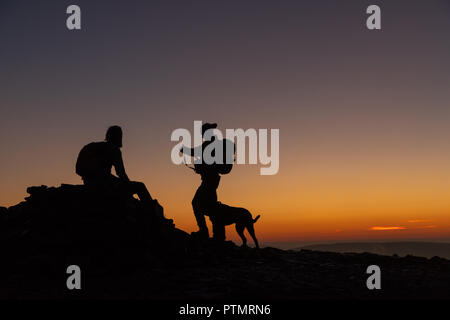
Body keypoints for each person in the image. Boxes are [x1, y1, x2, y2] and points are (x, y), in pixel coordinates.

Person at [76, 126, 171, 224]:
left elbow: (80, 170)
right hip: (103, 185)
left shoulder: (95, 146)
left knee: (116, 181)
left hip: (89, 182)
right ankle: (154, 217)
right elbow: (121, 173)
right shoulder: (114, 150)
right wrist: (128, 186)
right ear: (118, 137)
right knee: (140, 186)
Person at [180, 123, 221, 239]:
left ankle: (204, 232)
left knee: (196, 203)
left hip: (209, 180)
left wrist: (184, 150)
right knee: (212, 206)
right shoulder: (214, 143)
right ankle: (218, 235)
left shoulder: (210, 144)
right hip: (212, 179)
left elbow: (196, 152)